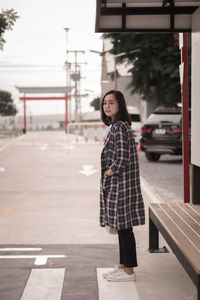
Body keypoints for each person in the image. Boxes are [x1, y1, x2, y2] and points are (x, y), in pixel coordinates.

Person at [100, 90, 145, 282]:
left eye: (111, 102)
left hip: (121, 185)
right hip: (123, 185)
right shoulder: (120, 125)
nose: (107, 106)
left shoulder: (119, 127)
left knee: (124, 228)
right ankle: (123, 266)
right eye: (105, 103)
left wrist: (109, 171)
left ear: (120, 105)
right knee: (123, 227)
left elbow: (122, 158)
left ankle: (128, 272)